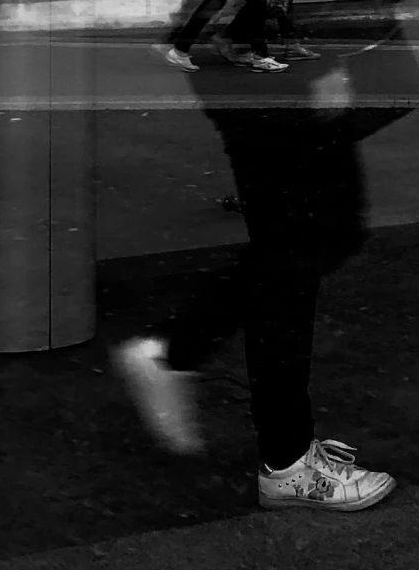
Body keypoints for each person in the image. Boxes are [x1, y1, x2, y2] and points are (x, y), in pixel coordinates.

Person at [111, 50, 396, 513]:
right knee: (304, 247)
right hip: (279, 83)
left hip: (275, 78)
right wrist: (309, 60)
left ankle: (282, 452)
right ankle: (183, 360)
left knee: (297, 249)